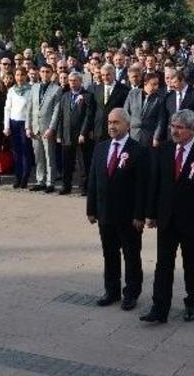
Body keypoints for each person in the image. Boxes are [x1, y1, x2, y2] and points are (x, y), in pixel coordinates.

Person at [140, 109, 194, 324]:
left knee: (193, 265)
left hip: (193, 222)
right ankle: (159, 308)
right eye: (172, 126)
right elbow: (154, 183)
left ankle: (192, 303)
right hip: (166, 218)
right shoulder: (164, 149)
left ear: (193, 130)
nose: (174, 131)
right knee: (163, 264)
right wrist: (150, 213)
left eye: (179, 127)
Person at [86, 108, 148, 311]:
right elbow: (94, 180)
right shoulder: (101, 148)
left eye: (116, 122)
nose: (112, 126)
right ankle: (111, 290)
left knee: (131, 255)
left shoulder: (137, 150)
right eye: (109, 123)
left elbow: (141, 186)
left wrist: (140, 214)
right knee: (109, 253)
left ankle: (131, 293)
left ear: (127, 125)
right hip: (105, 212)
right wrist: (91, 208)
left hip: (128, 215)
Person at [51, 72, 95, 195]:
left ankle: (84, 188)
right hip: (66, 135)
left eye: (75, 80)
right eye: (70, 80)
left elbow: (88, 116)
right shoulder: (65, 96)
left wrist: (83, 133)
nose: (72, 83)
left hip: (81, 135)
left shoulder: (87, 96)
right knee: (67, 163)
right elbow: (60, 115)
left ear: (80, 82)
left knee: (83, 164)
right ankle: (66, 186)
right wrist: (59, 134)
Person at [27, 64, 62, 193]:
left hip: (47, 128)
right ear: (39, 73)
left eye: (47, 71)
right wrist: (28, 126)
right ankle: (40, 180)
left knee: (49, 156)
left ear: (52, 73)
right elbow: (29, 108)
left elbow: (56, 111)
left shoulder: (56, 89)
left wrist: (51, 128)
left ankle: (50, 182)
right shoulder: (34, 87)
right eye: (42, 71)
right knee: (38, 156)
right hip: (35, 128)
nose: (44, 74)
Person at [3, 67, 33, 188]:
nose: (19, 77)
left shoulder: (31, 90)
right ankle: (18, 176)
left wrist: (29, 126)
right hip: (14, 123)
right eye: (17, 75)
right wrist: (6, 126)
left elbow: (32, 109)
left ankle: (25, 176)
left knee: (26, 151)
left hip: (25, 123)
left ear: (26, 76)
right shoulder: (11, 90)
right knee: (16, 152)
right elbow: (7, 109)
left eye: (22, 75)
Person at [124, 72, 165, 148]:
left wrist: (156, 138)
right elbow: (126, 112)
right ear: (145, 83)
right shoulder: (133, 94)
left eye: (157, 84)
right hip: (132, 134)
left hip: (148, 136)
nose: (156, 87)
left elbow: (160, 120)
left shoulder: (159, 99)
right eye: (153, 84)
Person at [91, 64, 130, 142]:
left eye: (108, 75)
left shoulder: (124, 90)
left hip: (116, 129)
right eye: (103, 75)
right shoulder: (96, 89)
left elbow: (126, 110)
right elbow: (93, 110)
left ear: (114, 74)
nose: (105, 78)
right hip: (98, 130)